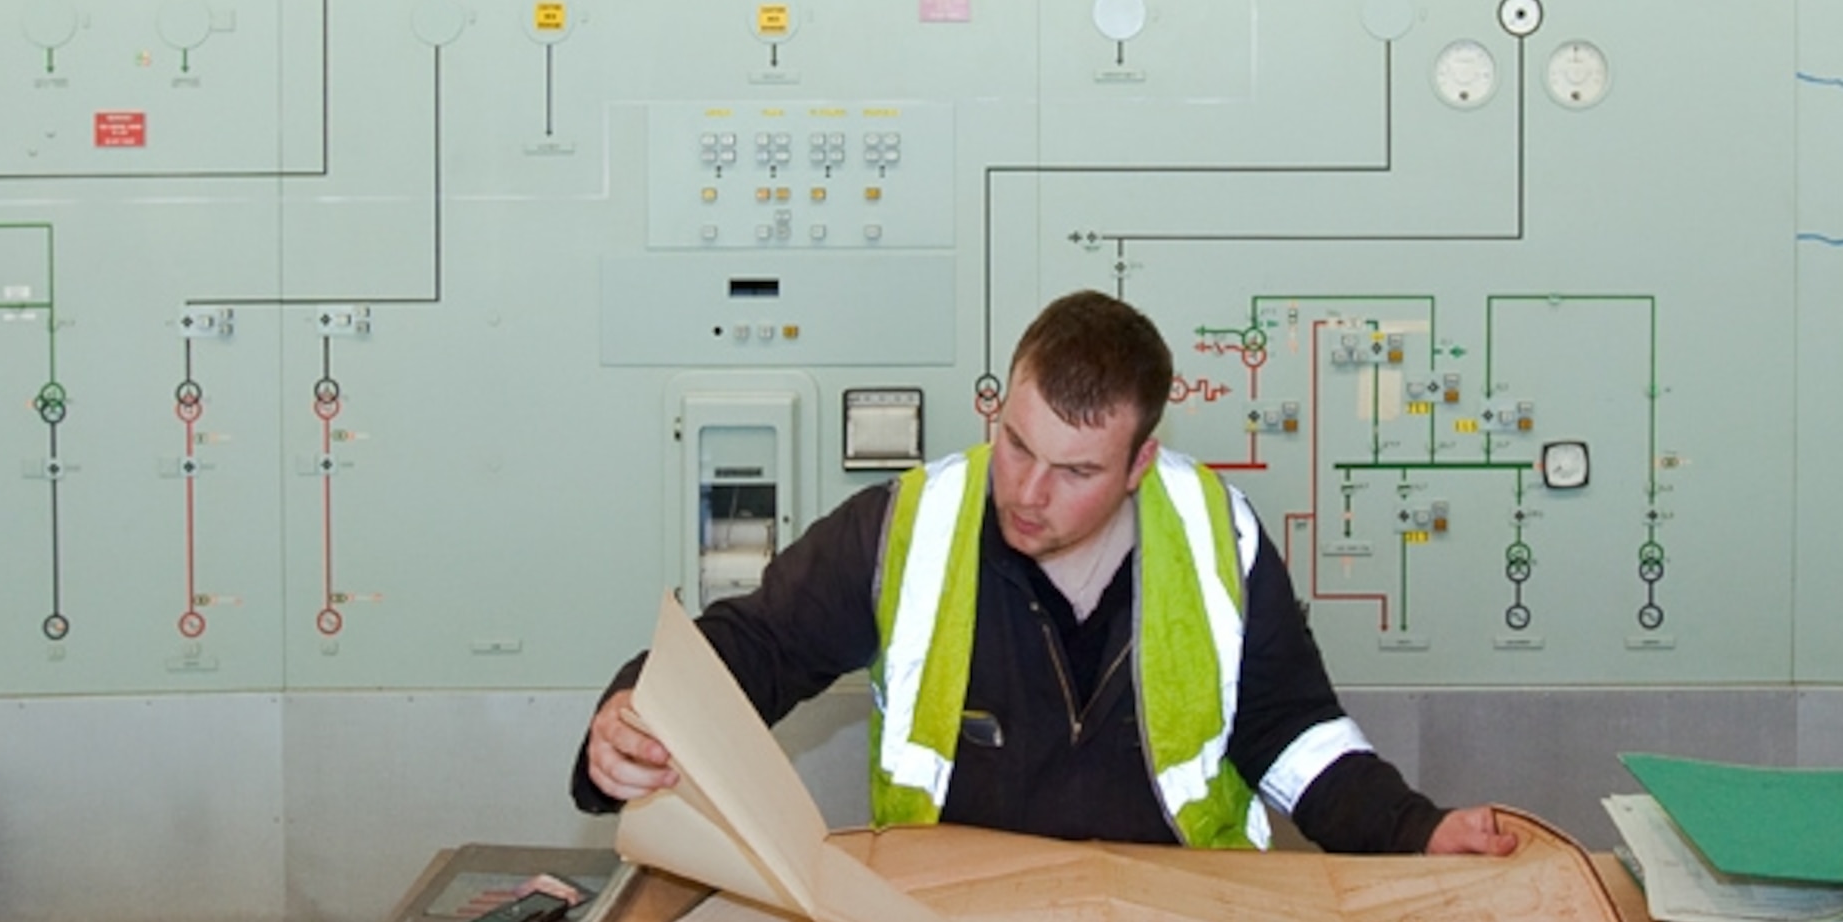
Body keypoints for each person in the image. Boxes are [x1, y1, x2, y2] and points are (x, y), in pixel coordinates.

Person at [576, 291, 1516, 857]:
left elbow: (1292, 733)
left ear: (1140, 463)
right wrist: (635, 711)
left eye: (1075, 472)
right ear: (998, 408)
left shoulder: (1213, 531)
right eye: (1016, 444)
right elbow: (757, 645)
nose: (1027, 493)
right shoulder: (909, 525)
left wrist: (1411, 830)